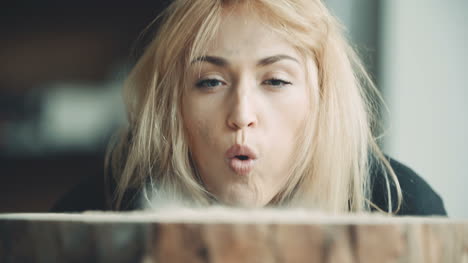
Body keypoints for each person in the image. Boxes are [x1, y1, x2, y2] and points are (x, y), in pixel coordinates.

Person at [52, 0, 446, 216]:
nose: (241, 115)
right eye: (210, 82)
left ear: (322, 97)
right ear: (174, 105)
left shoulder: (400, 208)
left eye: (275, 81)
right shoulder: (103, 211)